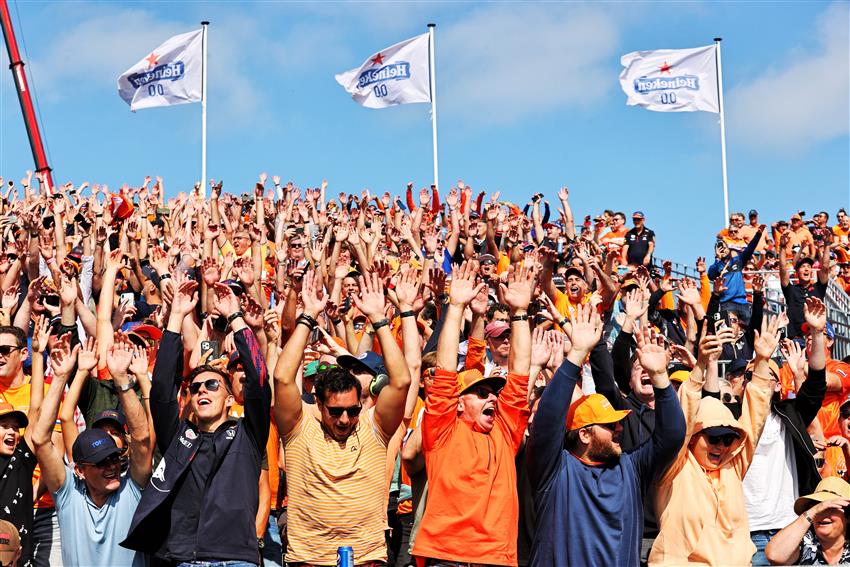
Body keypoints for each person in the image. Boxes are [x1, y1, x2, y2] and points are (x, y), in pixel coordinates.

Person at [120, 279, 272, 566]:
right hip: (184, 559)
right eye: (195, 387)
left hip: (236, 559)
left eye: (213, 385)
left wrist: (236, 317)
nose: (201, 389)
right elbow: (163, 389)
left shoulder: (248, 435)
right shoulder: (178, 437)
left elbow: (260, 382)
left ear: (230, 400)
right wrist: (175, 317)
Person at [526, 305, 685, 566]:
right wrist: (576, 353)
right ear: (585, 434)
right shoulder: (554, 470)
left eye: (618, 423)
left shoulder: (631, 468)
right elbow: (548, 419)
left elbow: (672, 436)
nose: (619, 429)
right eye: (609, 425)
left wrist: (659, 375)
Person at [274, 270, 411, 566]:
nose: (345, 419)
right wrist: (308, 316)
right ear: (319, 406)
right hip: (308, 560)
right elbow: (282, 377)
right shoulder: (299, 426)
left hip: (367, 559)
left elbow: (400, 381)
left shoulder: (374, 427)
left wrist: (379, 319)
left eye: (352, 410)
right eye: (335, 412)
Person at [412, 261, 533, 566]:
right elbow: (445, 369)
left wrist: (519, 313)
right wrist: (455, 307)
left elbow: (519, 375)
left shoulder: (505, 433)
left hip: (495, 558)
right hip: (444, 556)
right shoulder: (442, 431)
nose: (492, 396)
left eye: (493, 392)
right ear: (459, 403)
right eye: (480, 393)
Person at [649, 315, 782, 565]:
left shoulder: (732, 464)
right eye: (713, 438)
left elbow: (756, 417)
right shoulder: (675, 467)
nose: (721, 446)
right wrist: (699, 365)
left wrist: (763, 361)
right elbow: (683, 417)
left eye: (728, 439)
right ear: (694, 436)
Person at [32, 336, 151, 567]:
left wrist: (121, 381)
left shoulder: (131, 488)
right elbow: (40, 439)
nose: (112, 467)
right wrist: (59, 379)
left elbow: (142, 439)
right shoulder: (68, 495)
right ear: (79, 469)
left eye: (114, 458)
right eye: (101, 462)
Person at [745, 297, 829, 565]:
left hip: (788, 528)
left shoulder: (789, 414)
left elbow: (816, 382)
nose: (757, 379)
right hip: (742, 532)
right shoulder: (731, 420)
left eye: (766, 373)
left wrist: (816, 332)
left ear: (778, 385)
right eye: (751, 373)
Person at [765, 476, 850, 565]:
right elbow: (774, 555)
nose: (823, 514)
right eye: (819, 507)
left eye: (831, 508)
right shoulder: (802, 542)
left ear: (847, 516)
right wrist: (812, 512)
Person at [707, 224, 765, 323]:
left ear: (729, 248)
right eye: (720, 248)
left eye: (724, 247)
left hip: (743, 303)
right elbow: (711, 276)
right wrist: (717, 259)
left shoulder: (738, 261)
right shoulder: (716, 266)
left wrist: (758, 234)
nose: (723, 249)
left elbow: (750, 249)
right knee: (729, 332)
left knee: (747, 332)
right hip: (726, 303)